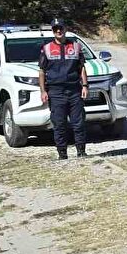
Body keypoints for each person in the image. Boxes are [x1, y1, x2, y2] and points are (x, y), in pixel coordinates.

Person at [38, 19, 89, 159]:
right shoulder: (46, 48)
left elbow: (82, 68)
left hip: (74, 90)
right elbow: (41, 71)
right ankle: (62, 154)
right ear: (53, 31)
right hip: (55, 92)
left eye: (60, 28)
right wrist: (43, 91)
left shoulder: (76, 46)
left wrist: (85, 86)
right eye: (55, 29)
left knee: (78, 123)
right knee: (59, 124)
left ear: (65, 29)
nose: (58, 31)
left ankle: (81, 152)